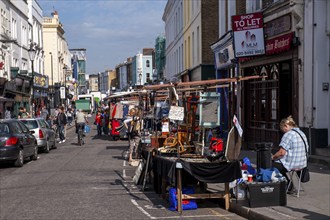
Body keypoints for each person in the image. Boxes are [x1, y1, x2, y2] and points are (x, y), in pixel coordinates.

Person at [272, 116, 308, 192]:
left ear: (286, 125)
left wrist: (273, 157)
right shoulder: (302, 133)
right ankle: (289, 184)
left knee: (271, 164)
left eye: (283, 129)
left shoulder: (289, 134)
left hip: (292, 164)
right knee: (278, 163)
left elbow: (281, 153)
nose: (284, 132)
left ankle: (288, 184)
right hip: (302, 164)